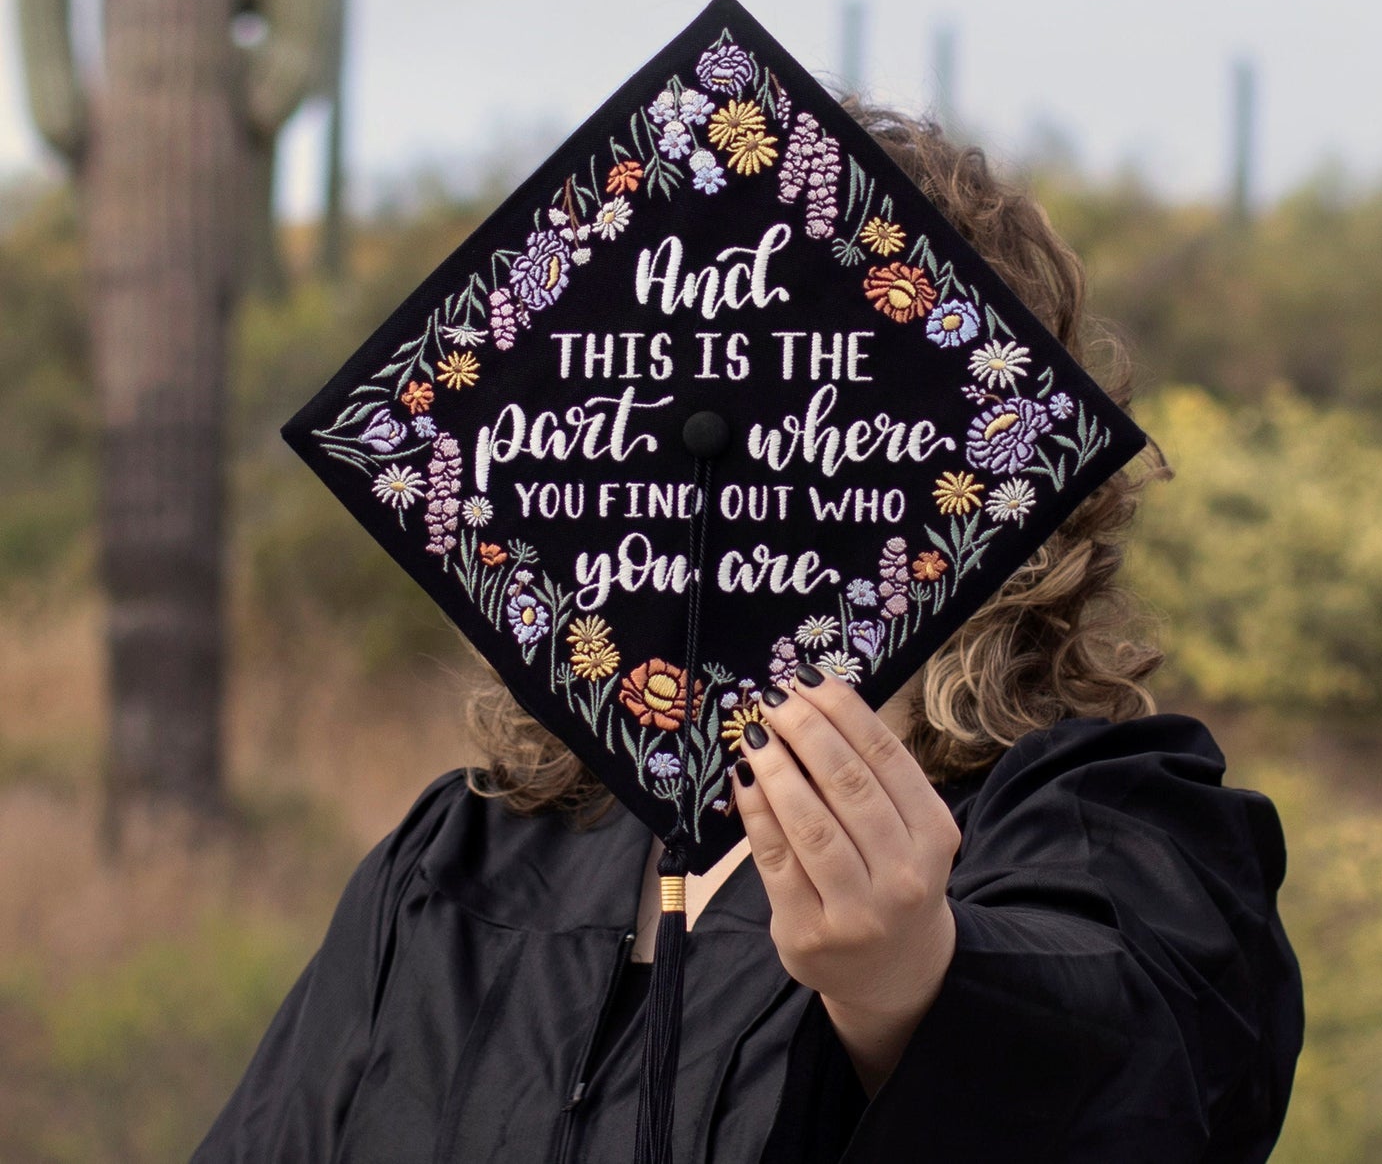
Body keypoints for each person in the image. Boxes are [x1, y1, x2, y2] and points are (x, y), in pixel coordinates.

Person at [195, 105, 1304, 1163]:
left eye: (816, 379)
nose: (711, 463)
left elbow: (1159, 1086)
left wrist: (910, 983)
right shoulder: (461, 855)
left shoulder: (1106, 827)